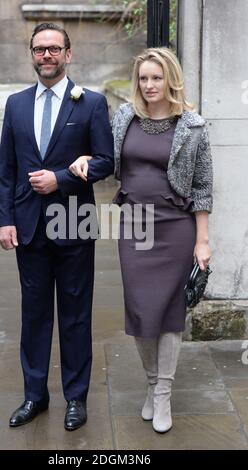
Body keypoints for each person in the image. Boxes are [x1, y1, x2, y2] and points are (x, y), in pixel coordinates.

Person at [69, 48, 213, 433]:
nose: (149, 85)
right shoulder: (123, 118)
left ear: (170, 79)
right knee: (140, 308)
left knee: (169, 312)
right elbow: (105, 159)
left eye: (156, 78)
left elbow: (202, 189)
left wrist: (202, 242)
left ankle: (162, 393)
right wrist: (84, 159)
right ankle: (152, 383)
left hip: (175, 228)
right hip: (132, 223)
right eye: (143, 79)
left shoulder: (193, 125)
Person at [0, 23, 114, 431]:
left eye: (54, 49)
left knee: (76, 315)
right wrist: (4, 220)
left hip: (75, 221)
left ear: (68, 54)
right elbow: (6, 169)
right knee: (34, 315)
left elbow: (105, 161)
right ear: (32, 54)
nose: (46, 56)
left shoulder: (92, 103)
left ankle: (76, 398)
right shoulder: (15, 104)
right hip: (28, 225)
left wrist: (61, 178)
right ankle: (34, 396)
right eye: (39, 49)